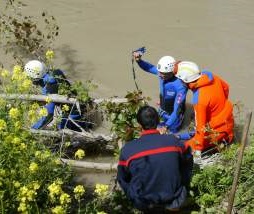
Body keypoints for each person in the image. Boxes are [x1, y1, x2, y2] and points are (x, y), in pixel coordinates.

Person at [117, 105, 193, 213]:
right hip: (173, 198)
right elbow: (188, 161)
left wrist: (134, 195)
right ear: (158, 121)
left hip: (144, 203)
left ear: (139, 125)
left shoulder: (128, 149)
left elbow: (122, 179)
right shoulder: (174, 142)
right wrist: (182, 182)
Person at [175, 61, 234, 154]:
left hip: (217, 133)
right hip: (228, 121)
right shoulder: (211, 77)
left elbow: (201, 129)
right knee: (189, 134)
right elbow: (226, 87)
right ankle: (180, 136)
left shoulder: (199, 100)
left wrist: (197, 149)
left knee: (181, 148)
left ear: (185, 80)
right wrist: (219, 105)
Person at [24, 60, 91, 132]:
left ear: (34, 77)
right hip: (82, 108)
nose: (29, 80)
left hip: (73, 118)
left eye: (29, 77)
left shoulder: (50, 86)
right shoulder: (56, 72)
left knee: (61, 131)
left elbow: (49, 115)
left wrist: (32, 129)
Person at [132, 52, 188, 133]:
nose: (160, 75)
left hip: (174, 115)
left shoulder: (180, 86)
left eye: (163, 74)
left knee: (173, 133)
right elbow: (149, 67)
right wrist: (139, 61)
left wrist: (166, 126)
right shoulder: (162, 73)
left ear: (172, 72)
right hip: (163, 109)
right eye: (159, 72)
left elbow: (177, 110)